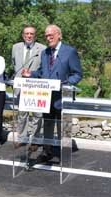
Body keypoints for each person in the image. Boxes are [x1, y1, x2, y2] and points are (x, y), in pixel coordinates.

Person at [22, 24, 82, 161]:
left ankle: (64, 153)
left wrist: (64, 84)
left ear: (59, 35)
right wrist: (31, 74)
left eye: (51, 35)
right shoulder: (44, 53)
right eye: (46, 36)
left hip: (63, 97)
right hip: (47, 97)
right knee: (48, 124)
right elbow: (43, 73)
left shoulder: (70, 51)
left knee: (63, 126)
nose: (48, 38)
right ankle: (47, 151)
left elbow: (77, 74)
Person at [12, 25, 46, 149]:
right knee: (22, 114)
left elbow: (44, 68)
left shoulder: (42, 49)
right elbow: (14, 64)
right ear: (23, 35)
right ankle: (22, 138)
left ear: (35, 36)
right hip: (21, 87)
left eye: (31, 34)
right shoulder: (15, 47)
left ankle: (36, 140)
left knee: (37, 115)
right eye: (26, 34)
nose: (29, 36)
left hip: (36, 88)